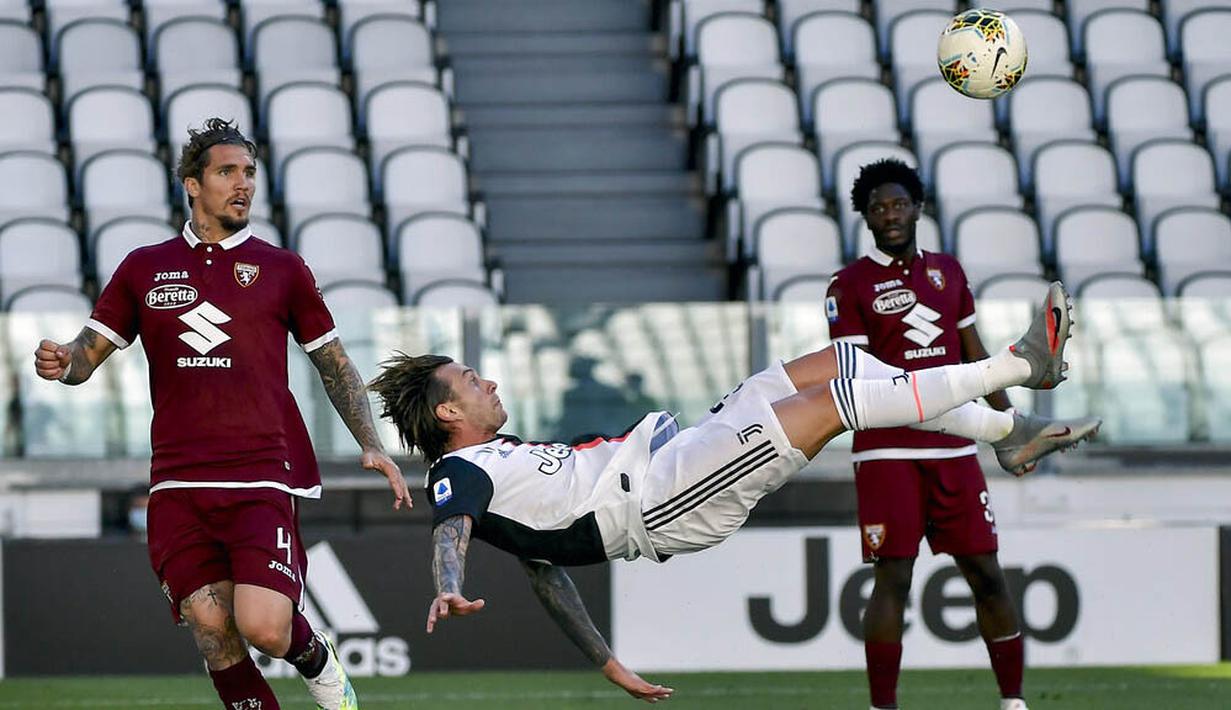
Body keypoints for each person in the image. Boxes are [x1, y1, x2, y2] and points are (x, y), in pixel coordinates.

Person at [368, 279, 1080, 703]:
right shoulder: (457, 474)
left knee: (840, 359)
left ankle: (1001, 430)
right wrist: (447, 583)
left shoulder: (500, 465)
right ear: (447, 415)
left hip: (672, 458)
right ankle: (1017, 365)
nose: (486, 381)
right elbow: (449, 531)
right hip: (662, 500)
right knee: (835, 402)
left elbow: (545, 575)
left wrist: (608, 665)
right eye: (470, 381)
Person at [34, 118, 410, 710]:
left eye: (249, 173)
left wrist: (371, 441)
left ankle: (314, 655)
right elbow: (88, 353)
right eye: (227, 172)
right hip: (178, 482)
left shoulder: (283, 268)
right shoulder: (143, 267)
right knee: (212, 630)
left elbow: (333, 363)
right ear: (192, 183)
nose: (243, 185)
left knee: (263, 628)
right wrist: (63, 360)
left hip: (259, 473)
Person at [828, 158, 1102, 710]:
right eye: (878, 207)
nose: (890, 215)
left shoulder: (948, 272)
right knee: (894, 578)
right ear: (864, 216)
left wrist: (1010, 425)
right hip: (887, 452)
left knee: (987, 574)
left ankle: (1014, 703)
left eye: (898, 204)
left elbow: (974, 355)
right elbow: (856, 376)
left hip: (955, 448)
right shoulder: (848, 284)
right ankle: (883, 706)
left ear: (917, 209)